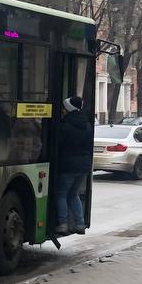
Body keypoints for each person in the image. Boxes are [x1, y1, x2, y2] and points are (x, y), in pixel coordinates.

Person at [54, 96, 92, 235]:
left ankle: (63, 224)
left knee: (61, 194)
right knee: (73, 194)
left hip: (67, 165)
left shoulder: (64, 126)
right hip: (83, 167)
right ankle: (80, 224)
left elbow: (58, 144)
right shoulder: (87, 125)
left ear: (68, 109)